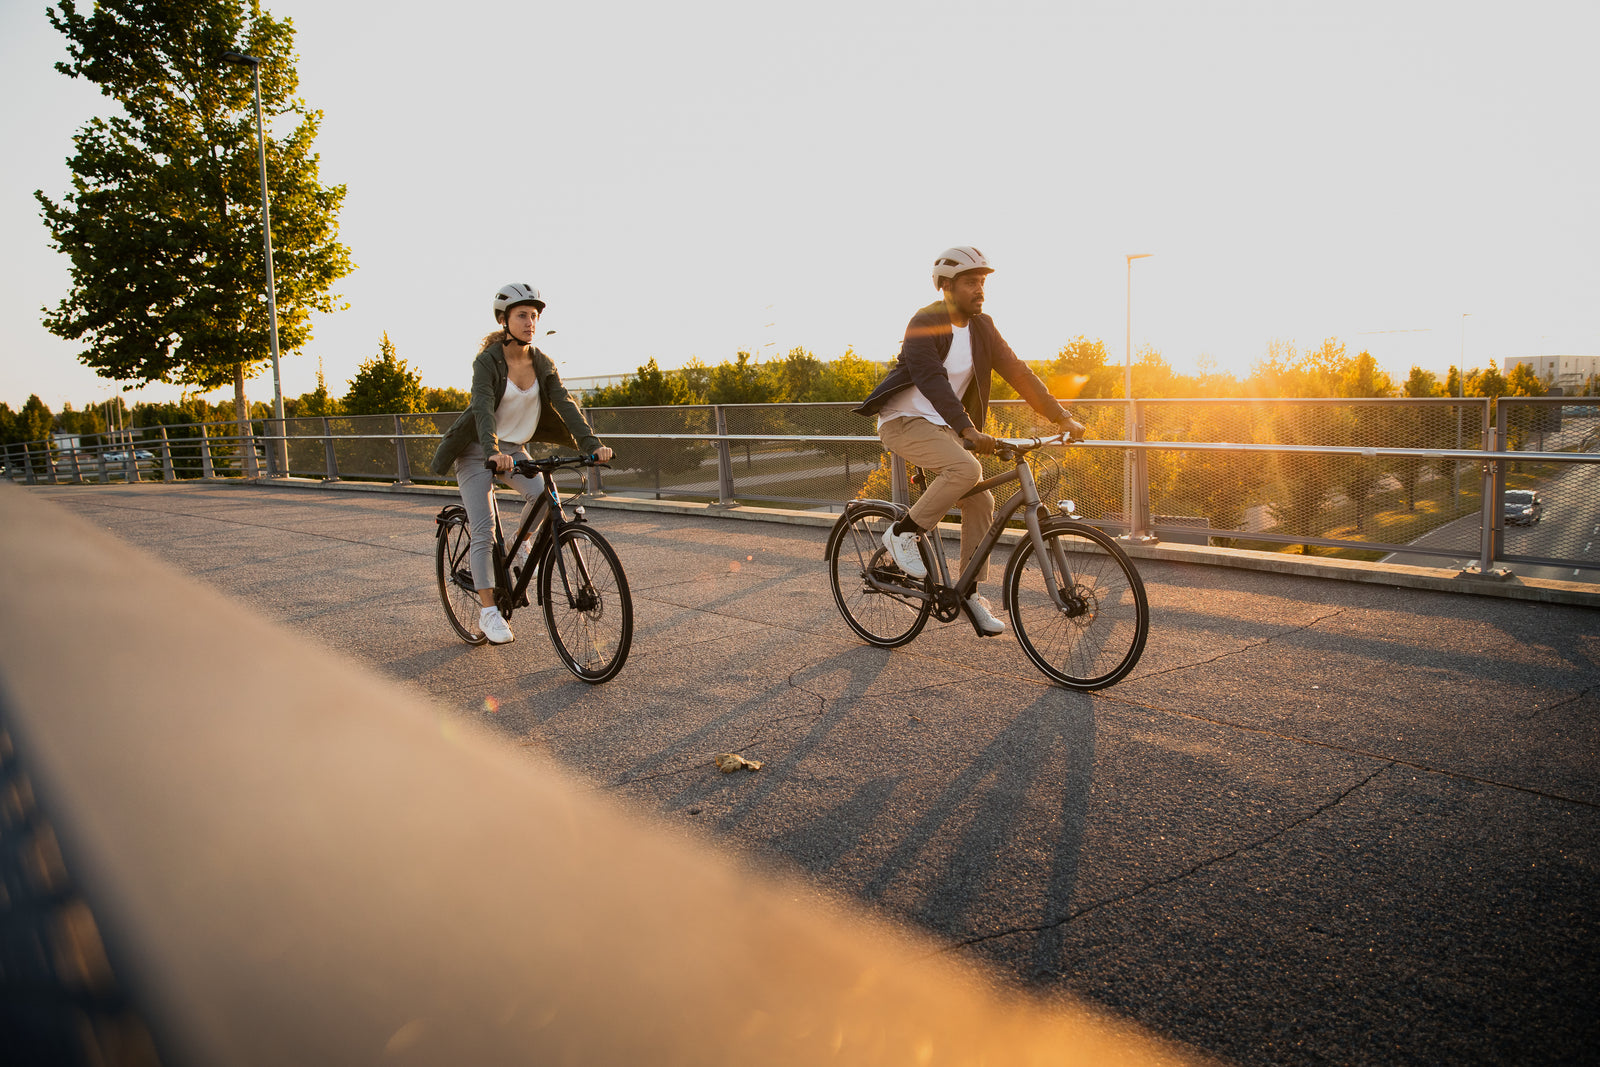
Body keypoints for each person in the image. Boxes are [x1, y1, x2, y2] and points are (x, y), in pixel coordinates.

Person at [854, 246, 1085, 636]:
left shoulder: (983, 326)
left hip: (943, 426)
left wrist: (1060, 414)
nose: (980, 289)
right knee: (966, 467)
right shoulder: (924, 321)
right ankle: (903, 533)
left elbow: (1018, 371)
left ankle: (968, 593)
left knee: (981, 498)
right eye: (970, 283)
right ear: (946, 286)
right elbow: (932, 380)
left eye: (982, 282)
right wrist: (967, 429)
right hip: (903, 420)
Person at [430, 282, 614, 645]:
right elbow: (482, 408)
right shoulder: (488, 362)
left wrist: (592, 444)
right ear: (504, 320)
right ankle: (488, 612)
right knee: (483, 529)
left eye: (534, 316)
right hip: (477, 450)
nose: (530, 322)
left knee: (546, 496)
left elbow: (565, 404)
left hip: (514, 449)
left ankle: (521, 540)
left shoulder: (541, 361)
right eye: (522, 315)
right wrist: (491, 452)